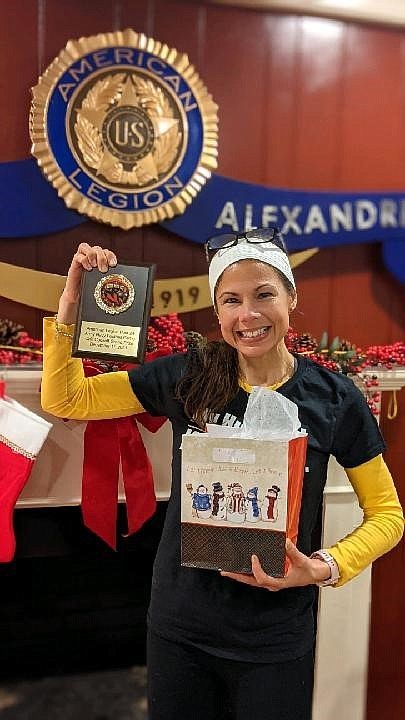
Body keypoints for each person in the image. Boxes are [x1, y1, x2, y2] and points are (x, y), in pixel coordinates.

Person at [41, 228, 404, 720]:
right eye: (231, 301)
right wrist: (69, 304)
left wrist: (321, 567)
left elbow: (387, 516)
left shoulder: (334, 398)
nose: (247, 315)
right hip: (179, 630)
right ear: (217, 312)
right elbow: (68, 399)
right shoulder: (189, 374)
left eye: (264, 295)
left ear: (292, 297)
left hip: (274, 641)